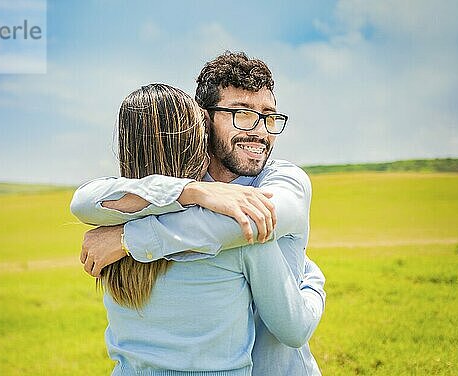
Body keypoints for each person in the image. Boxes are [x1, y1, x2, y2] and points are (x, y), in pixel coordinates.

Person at [71, 52, 326, 375]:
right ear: (203, 120)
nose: (260, 131)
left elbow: (241, 223)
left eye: (269, 117)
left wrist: (125, 238)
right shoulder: (174, 193)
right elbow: (84, 201)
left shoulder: (286, 181)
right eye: (242, 114)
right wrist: (194, 192)